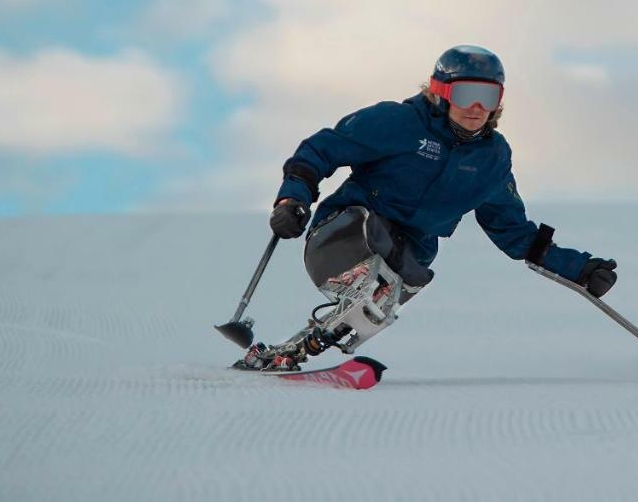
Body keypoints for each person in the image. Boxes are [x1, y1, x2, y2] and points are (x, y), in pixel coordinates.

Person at [238, 44, 618, 371]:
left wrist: (581, 270)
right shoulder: (399, 122)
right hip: (344, 235)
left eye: (487, 97)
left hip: (400, 261)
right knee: (383, 248)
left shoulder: (491, 159)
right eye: (466, 93)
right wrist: (293, 198)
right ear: (440, 92)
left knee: (412, 272)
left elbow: (514, 232)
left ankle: (304, 346)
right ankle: (364, 293)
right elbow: (321, 150)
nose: (475, 107)